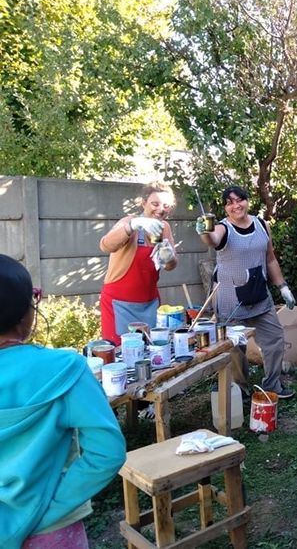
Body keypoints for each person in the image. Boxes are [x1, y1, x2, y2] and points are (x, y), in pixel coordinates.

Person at [0, 254, 127, 549]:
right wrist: (49, 509)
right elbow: (107, 452)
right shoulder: (65, 369)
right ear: (25, 314)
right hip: (52, 530)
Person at [196, 185, 296, 400]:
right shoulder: (223, 228)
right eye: (229, 202)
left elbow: (270, 259)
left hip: (260, 296)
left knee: (274, 339)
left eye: (239, 200)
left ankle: (272, 385)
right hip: (231, 300)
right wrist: (204, 231)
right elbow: (212, 240)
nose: (235, 205)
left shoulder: (261, 224)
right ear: (225, 208)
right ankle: (239, 389)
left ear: (247, 201)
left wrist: (283, 287)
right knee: (235, 348)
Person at [99, 181, 178, 345]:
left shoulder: (165, 228)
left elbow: (171, 266)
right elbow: (105, 245)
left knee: (153, 352)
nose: (160, 209)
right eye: (155, 204)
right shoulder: (129, 222)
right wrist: (133, 226)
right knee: (121, 354)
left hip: (150, 305)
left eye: (166, 205)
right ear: (144, 203)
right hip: (119, 305)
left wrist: (169, 257)